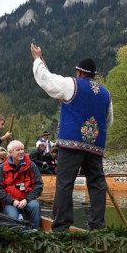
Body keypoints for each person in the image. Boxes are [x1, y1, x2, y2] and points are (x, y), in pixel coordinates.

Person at [31, 43, 112, 231]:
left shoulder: (71, 84)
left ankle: (61, 226)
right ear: (94, 75)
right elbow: (108, 121)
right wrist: (92, 135)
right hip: (95, 147)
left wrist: (37, 59)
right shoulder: (106, 94)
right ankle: (98, 226)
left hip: (71, 144)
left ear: (79, 72)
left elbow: (46, 80)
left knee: (65, 183)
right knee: (97, 185)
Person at [0, 140, 43, 228]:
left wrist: (27, 199)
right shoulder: (3, 168)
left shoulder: (31, 166)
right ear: (10, 153)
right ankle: (17, 234)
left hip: (27, 200)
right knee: (13, 217)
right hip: (10, 202)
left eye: (22, 149)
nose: (21, 152)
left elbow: (38, 186)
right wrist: (12, 201)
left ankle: (36, 232)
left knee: (35, 206)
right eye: (18, 150)